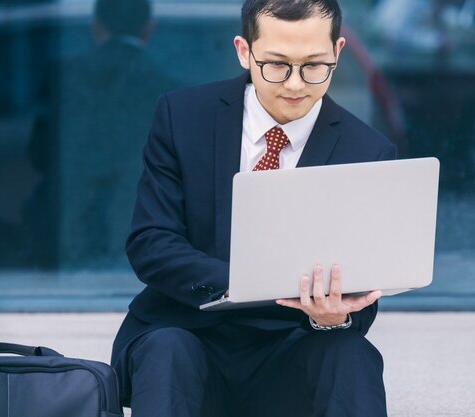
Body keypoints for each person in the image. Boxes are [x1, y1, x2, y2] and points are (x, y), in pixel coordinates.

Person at [111, 1, 396, 416]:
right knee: (167, 349)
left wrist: (334, 317)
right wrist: (244, 283)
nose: (296, 84)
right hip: (186, 332)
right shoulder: (182, 116)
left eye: (314, 66)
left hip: (291, 350)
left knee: (350, 354)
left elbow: (361, 292)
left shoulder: (368, 152)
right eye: (277, 65)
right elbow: (151, 243)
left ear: (337, 52)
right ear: (245, 51)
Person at [27, 0, 177, 267]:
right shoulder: (167, 89)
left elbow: (38, 153)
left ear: (95, 27)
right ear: (148, 29)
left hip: (66, 228)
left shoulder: (61, 76)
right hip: (134, 232)